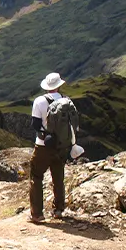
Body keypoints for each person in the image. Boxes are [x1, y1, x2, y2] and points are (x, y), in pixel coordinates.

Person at [29, 73, 78, 224]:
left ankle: (37, 214)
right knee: (58, 177)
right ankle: (59, 210)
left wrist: (46, 134)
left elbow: (35, 125)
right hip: (62, 146)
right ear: (59, 85)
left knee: (36, 175)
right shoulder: (66, 101)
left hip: (44, 145)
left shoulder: (39, 101)